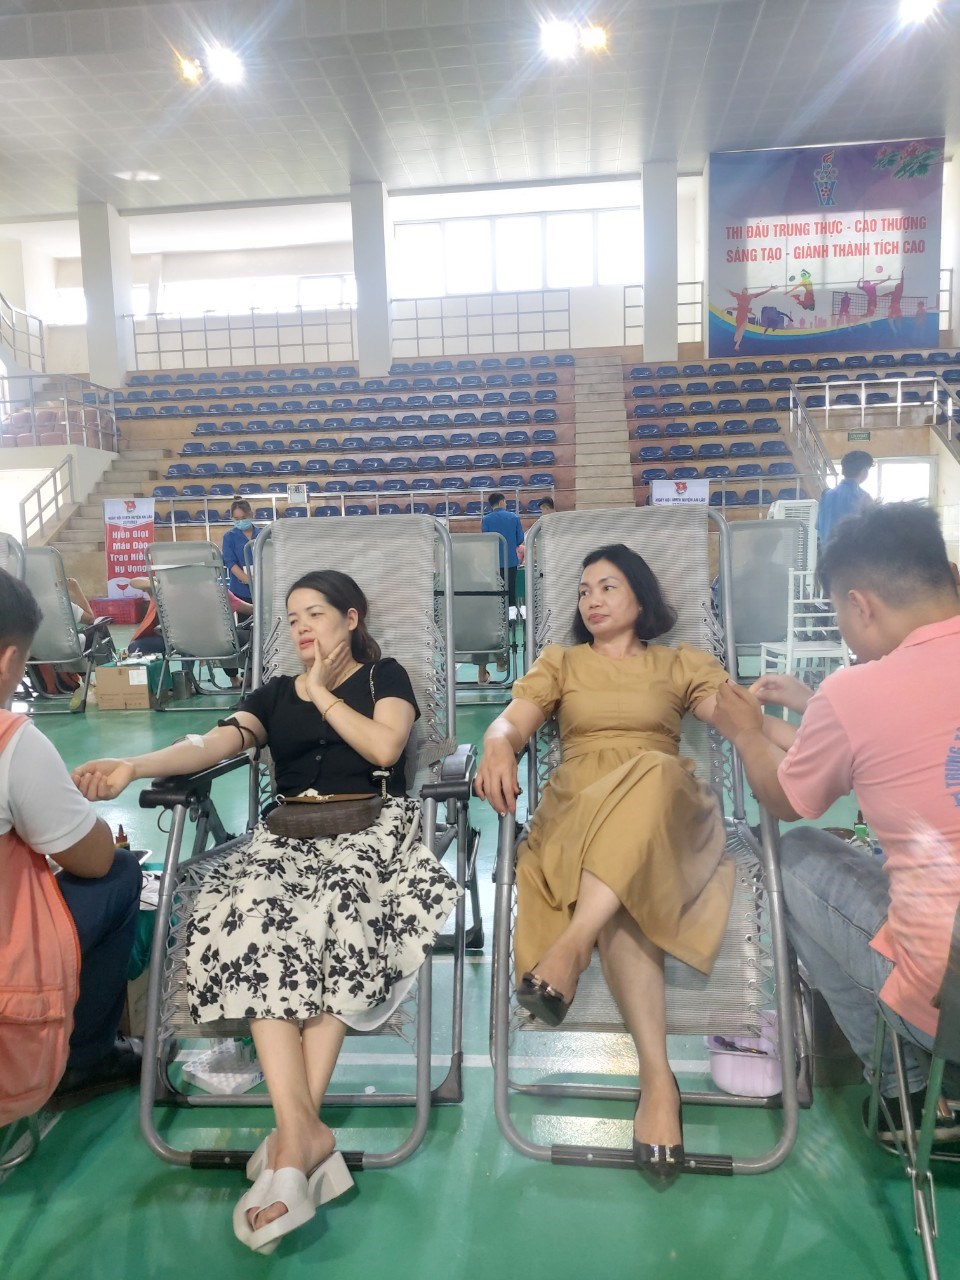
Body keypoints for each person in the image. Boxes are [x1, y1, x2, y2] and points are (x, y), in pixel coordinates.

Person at [73, 569, 461, 1252]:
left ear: (351, 618)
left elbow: (385, 748)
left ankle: (291, 1142)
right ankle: (302, 1134)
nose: (302, 626)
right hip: (286, 836)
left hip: (372, 831)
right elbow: (211, 744)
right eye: (292, 617)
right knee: (247, 913)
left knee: (339, 912)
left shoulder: (385, 677)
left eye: (316, 613)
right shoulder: (275, 693)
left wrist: (323, 694)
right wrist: (133, 765)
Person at [474, 543, 771, 1183]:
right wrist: (496, 745)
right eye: (584, 591)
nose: (593, 600)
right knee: (623, 880)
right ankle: (659, 1082)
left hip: (667, 811)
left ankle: (570, 948)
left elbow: (738, 720)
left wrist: (800, 735)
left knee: (656, 772)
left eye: (607, 586)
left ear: (640, 596)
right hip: (578, 812)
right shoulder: (561, 663)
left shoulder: (678, 663)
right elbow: (510, 724)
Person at [711, 504, 960, 1141]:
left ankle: (908, 1092)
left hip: (949, 1007)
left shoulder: (861, 691)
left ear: (860, 605)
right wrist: (812, 708)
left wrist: (745, 733)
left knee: (793, 857)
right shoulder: (850, 699)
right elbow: (887, 752)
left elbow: (786, 798)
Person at [0, 569, 142, 1111]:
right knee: (120, 873)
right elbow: (94, 859)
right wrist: (75, 811)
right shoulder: (14, 742)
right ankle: (84, 1057)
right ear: (9, 660)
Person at [477, 492, 525, 684]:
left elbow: (485, 541)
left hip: (493, 564)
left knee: (496, 597)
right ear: (503, 501)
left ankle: (497, 622)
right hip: (511, 563)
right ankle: (511, 623)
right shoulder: (513, 517)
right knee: (510, 596)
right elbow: (520, 539)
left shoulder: (486, 520)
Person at [817, 450, 874, 548]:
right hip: (853, 554)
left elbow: (819, 528)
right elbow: (871, 531)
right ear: (864, 471)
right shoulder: (864, 498)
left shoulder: (826, 495)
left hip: (827, 554)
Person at [221, 499, 257, 606]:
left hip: (263, 588)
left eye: (244, 518)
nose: (241, 522)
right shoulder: (229, 537)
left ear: (251, 515)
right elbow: (230, 562)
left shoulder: (263, 535)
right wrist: (248, 580)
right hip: (240, 591)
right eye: (237, 519)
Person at [727, 283, 775, 352]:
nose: (744, 291)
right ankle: (736, 343)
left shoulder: (750, 296)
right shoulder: (738, 296)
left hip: (744, 317)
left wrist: (769, 289)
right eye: (743, 290)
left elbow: (760, 293)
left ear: (746, 291)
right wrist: (724, 287)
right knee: (735, 337)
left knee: (741, 332)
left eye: (745, 290)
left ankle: (737, 345)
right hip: (739, 317)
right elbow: (731, 293)